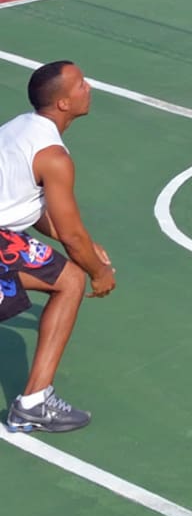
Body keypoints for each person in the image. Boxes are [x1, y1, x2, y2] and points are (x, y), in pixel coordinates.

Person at [1, 61, 114, 434]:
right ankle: (33, 404)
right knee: (73, 280)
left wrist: (87, 246)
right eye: (81, 84)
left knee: (67, 276)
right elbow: (71, 237)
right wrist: (100, 273)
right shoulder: (54, 157)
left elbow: (29, 208)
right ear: (63, 104)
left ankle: (35, 401)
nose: (88, 87)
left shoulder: (19, 128)